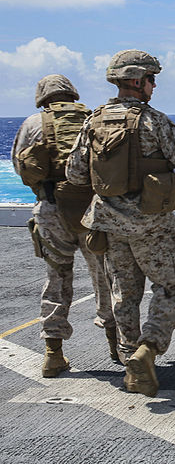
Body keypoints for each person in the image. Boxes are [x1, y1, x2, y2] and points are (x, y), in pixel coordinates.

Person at [66, 50, 175, 397]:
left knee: (124, 295)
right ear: (137, 81)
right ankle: (149, 349)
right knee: (173, 287)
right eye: (151, 79)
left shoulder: (93, 121)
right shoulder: (155, 122)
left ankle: (131, 363)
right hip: (151, 224)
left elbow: (74, 174)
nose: (154, 86)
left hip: (109, 224)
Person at [12, 74, 116, 377]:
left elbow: (22, 166)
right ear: (72, 94)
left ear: (42, 97)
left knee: (56, 279)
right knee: (105, 278)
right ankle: (116, 345)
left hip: (51, 208)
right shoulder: (93, 118)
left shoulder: (33, 124)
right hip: (91, 209)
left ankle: (53, 355)